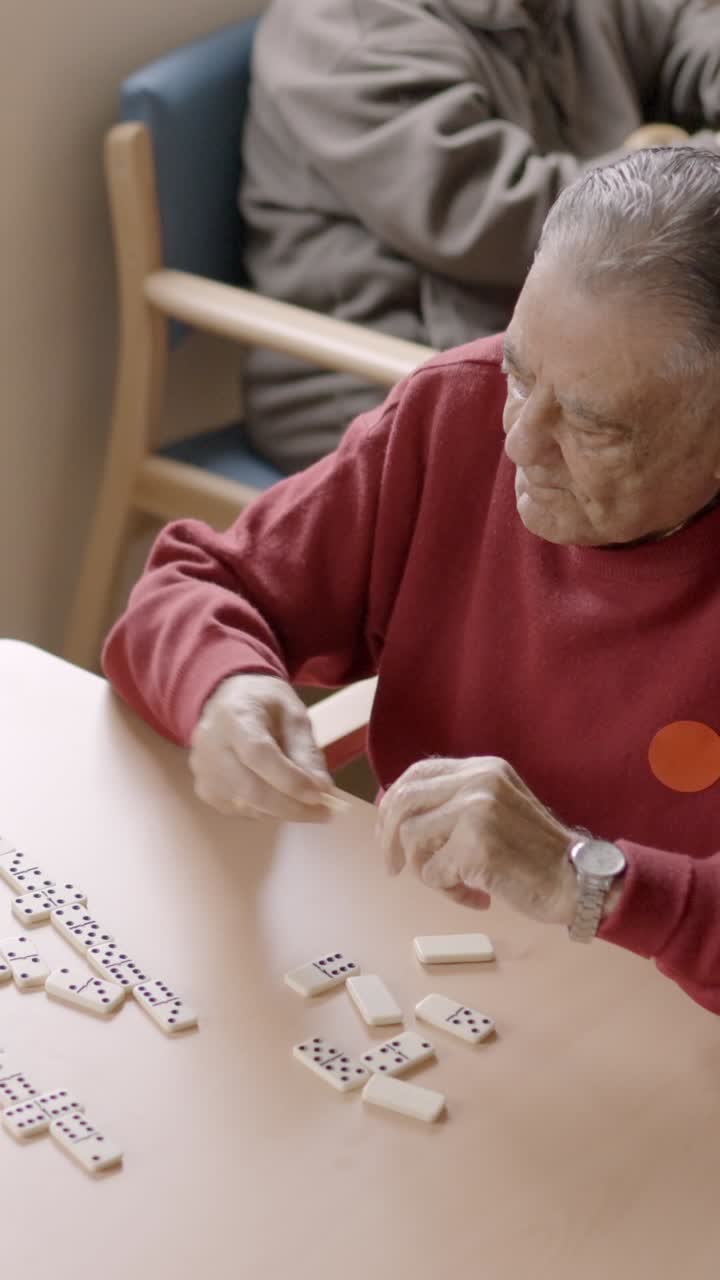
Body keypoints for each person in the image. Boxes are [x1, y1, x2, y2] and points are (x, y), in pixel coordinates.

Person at [105, 146, 720, 1014]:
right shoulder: (455, 415)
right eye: (518, 371)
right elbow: (197, 583)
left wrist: (586, 882)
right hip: (434, 982)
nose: (516, 444)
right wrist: (223, 687)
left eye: (595, 428)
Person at [238, 0, 720, 472]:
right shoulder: (343, 28)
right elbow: (507, 221)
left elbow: (684, 26)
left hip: (575, 341)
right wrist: (699, 165)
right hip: (396, 381)